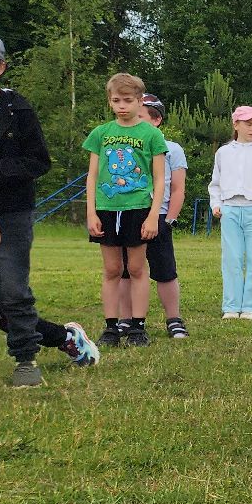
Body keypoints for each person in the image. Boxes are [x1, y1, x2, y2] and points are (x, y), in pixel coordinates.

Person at [0, 28, 100, 387]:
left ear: (2, 67)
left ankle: (26, 360)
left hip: (9, 213)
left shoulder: (17, 107)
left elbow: (38, 161)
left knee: (11, 291)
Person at [84, 72, 167, 347]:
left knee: (136, 268)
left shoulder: (151, 134)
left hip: (139, 207)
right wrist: (91, 212)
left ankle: (137, 327)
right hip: (107, 208)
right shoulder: (101, 134)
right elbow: (92, 176)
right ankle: (111, 327)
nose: (122, 106)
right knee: (112, 269)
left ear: (140, 101)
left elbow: (159, 178)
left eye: (128, 100)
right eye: (116, 100)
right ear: (110, 100)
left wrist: (153, 215)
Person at [209, 106, 252, 320]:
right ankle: (231, 305)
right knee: (232, 259)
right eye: (248, 124)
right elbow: (215, 182)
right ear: (236, 124)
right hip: (229, 210)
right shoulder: (223, 153)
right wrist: (216, 203)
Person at [139, 95, 188, 339]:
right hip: (130, 213)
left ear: (156, 120)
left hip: (158, 215)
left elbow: (178, 188)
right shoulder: (124, 147)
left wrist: (169, 219)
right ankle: (129, 320)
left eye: (140, 116)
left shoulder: (173, 149)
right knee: (129, 270)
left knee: (165, 269)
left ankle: (173, 319)